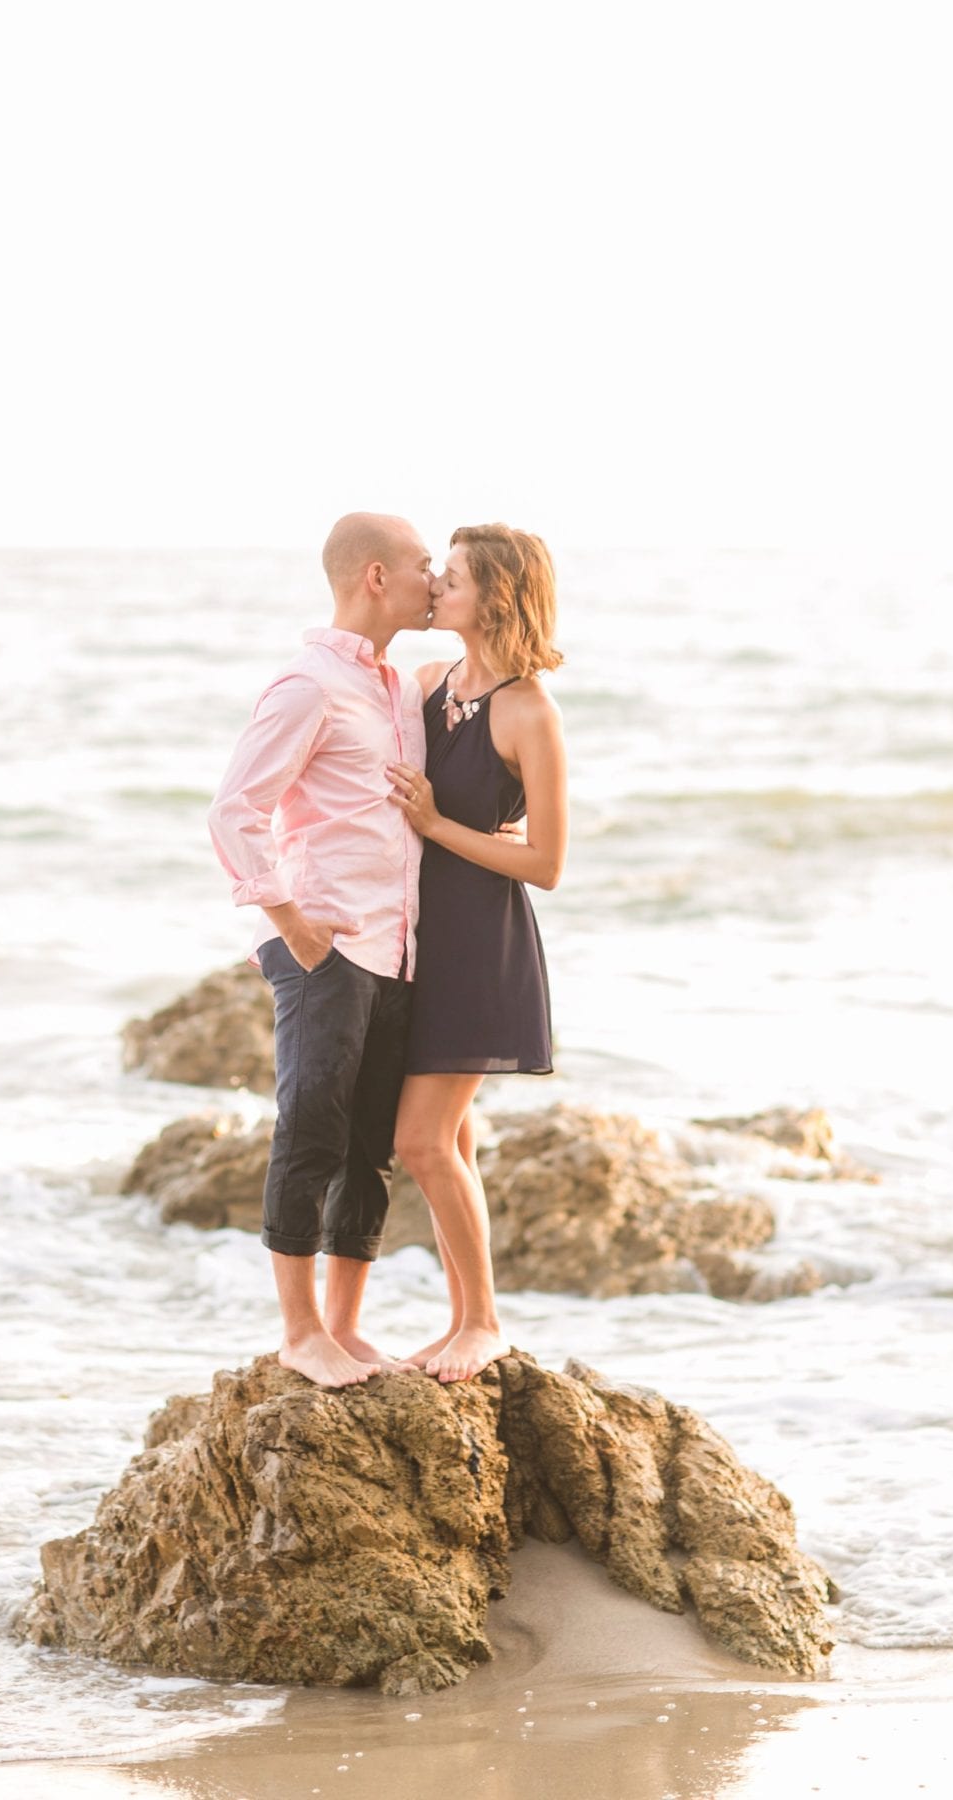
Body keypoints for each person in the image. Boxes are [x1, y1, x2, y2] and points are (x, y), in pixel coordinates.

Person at [208, 512, 436, 1389]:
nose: (434, 581)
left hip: (396, 947)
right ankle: (300, 1333)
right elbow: (234, 808)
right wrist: (290, 919)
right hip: (326, 945)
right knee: (312, 1130)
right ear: (376, 576)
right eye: (423, 567)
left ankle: (344, 1327)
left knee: (368, 1144)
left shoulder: (402, 692)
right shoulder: (307, 685)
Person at [387, 524, 567, 1385]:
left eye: (450, 576)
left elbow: (547, 862)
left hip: (481, 945)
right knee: (444, 1140)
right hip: (414, 942)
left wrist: (437, 827)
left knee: (420, 1142)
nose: (435, 585)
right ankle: (466, 1321)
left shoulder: (529, 708)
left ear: (494, 595)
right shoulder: (426, 684)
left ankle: (483, 1322)